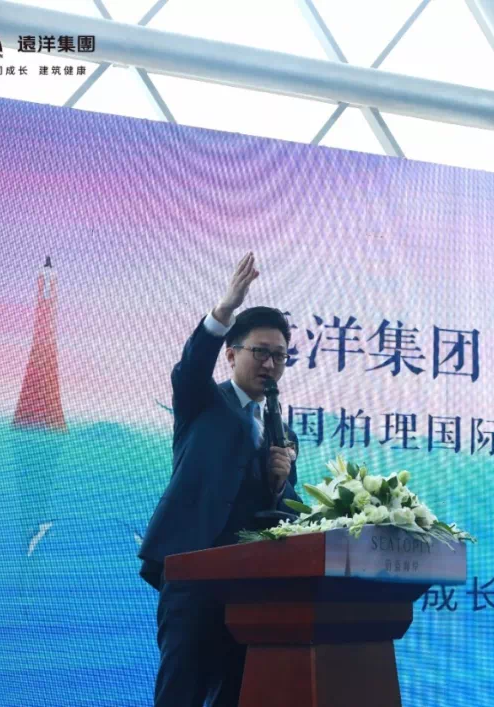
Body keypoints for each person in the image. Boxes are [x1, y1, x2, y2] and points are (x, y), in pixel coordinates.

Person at [137, 252, 303, 707]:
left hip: (252, 584)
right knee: (181, 692)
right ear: (231, 354)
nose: (270, 364)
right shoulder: (204, 402)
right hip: (193, 575)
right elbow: (189, 368)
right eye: (260, 352)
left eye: (279, 356)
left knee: (237, 693)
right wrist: (225, 308)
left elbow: (286, 512)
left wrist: (281, 484)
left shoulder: (283, 433)